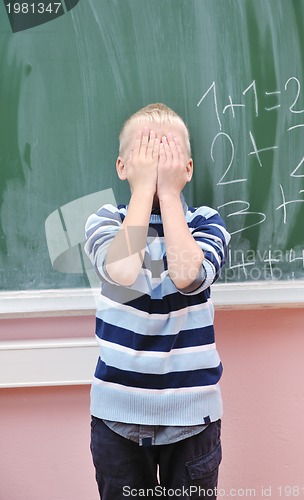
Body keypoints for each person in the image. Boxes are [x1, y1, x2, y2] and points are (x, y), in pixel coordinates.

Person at [84, 103, 231, 500]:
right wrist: (144, 189)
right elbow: (123, 271)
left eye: (165, 153)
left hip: (192, 416)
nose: (155, 160)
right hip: (117, 415)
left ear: (187, 169)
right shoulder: (105, 221)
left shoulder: (206, 223)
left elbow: (187, 276)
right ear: (122, 166)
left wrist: (166, 193)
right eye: (145, 151)